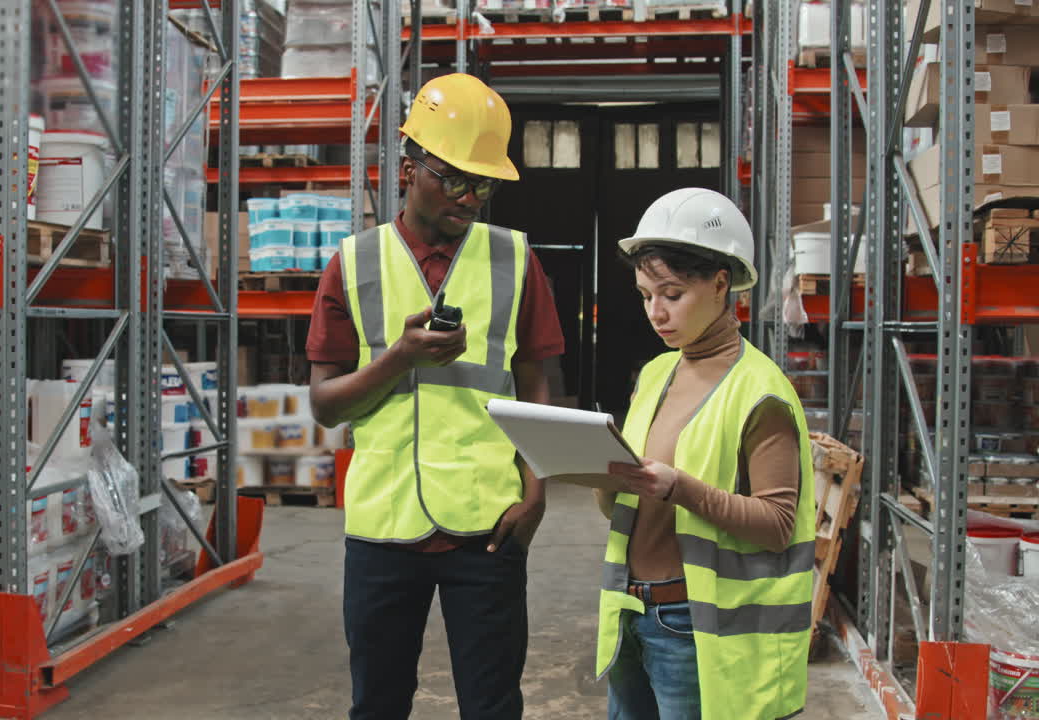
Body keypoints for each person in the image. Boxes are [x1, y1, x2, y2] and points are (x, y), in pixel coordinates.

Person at [306, 73, 564, 720]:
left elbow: (539, 382)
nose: (471, 198)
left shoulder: (514, 260)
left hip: (488, 527)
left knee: (493, 705)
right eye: (454, 179)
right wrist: (397, 360)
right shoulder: (354, 263)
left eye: (484, 184)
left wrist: (536, 489)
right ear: (408, 166)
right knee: (379, 704)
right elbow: (325, 403)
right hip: (382, 530)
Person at [592, 188, 816, 720]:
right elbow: (628, 510)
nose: (656, 311)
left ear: (721, 284)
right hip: (631, 611)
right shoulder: (656, 374)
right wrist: (601, 478)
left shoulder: (761, 392)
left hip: (697, 627)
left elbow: (778, 523)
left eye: (671, 293)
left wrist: (680, 487)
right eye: (646, 295)